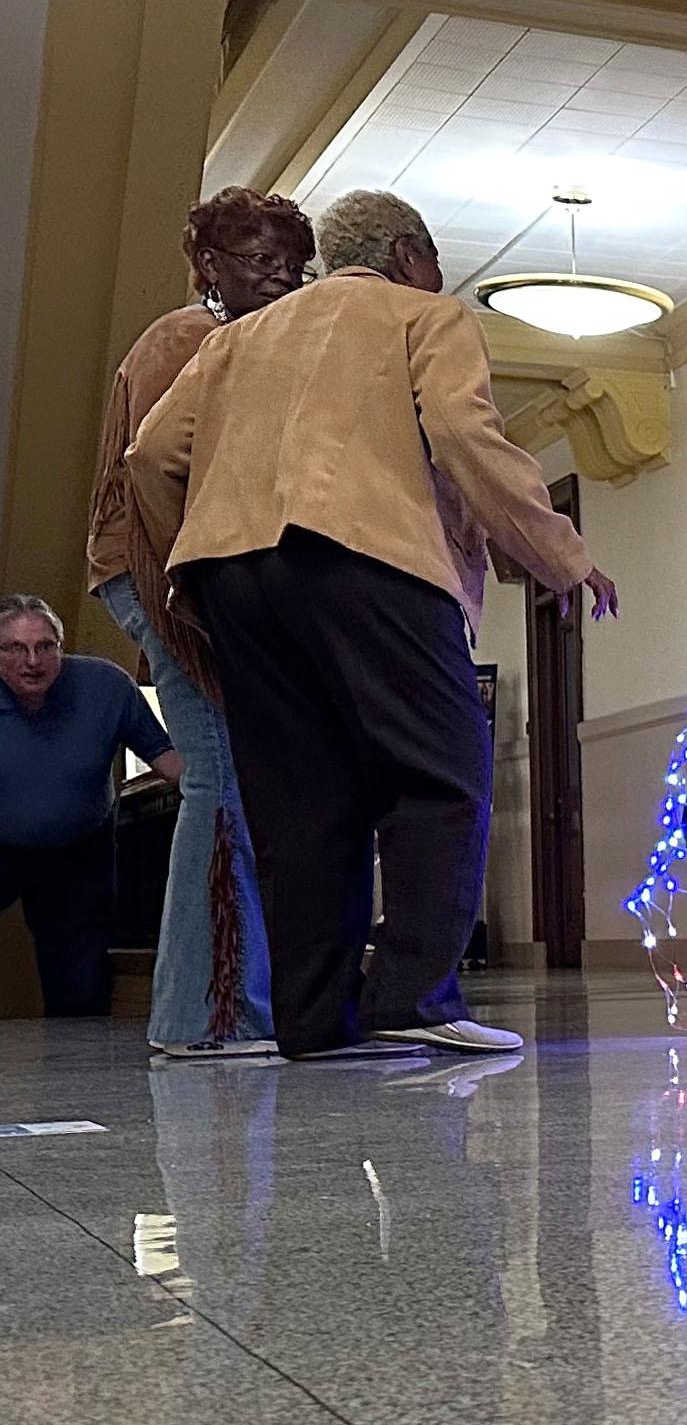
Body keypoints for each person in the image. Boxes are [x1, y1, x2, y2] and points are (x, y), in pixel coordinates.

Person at [131, 188, 618, 1062]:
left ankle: (314, 1022)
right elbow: (468, 435)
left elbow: (152, 457)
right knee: (442, 776)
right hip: (368, 559)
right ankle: (412, 998)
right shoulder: (422, 313)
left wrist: (194, 561)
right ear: (410, 255)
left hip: (231, 579)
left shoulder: (234, 340)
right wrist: (562, 556)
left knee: (300, 801)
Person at [83, 185, 311, 1058]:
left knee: (229, 777)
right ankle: (207, 1018)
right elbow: (158, 476)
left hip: (164, 574)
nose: (282, 280)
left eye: (294, 267)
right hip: (163, 574)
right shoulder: (190, 338)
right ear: (209, 265)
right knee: (219, 775)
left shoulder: (222, 340)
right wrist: (198, 586)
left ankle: (212, 1012)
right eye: (262, 262)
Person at [0, 592, 173, 1018]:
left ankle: (74, 1080)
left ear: (60, 647)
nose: (32, 661)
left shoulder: (106, 687)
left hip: (79, 850)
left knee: (79, 987)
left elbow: (169, 760)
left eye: (44, 646)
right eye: (15, 648)